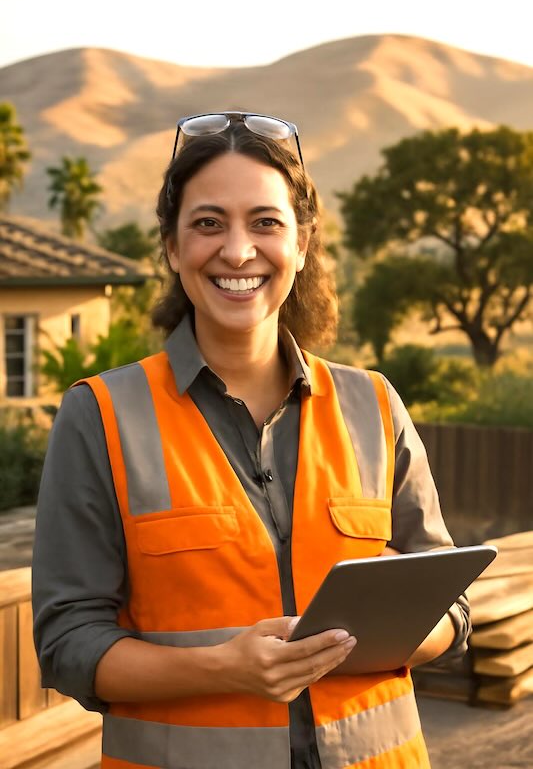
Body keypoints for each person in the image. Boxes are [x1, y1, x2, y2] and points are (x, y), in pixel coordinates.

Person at [33, 111, 470, 769]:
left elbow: (453, 611)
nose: (238, 251)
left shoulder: (374, 404)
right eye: (208, 223)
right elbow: (68, 644)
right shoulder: (99, 415)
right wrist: (223, 670)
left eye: (265, 222)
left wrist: (385, 632)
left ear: (301, 244)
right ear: (173, 248)